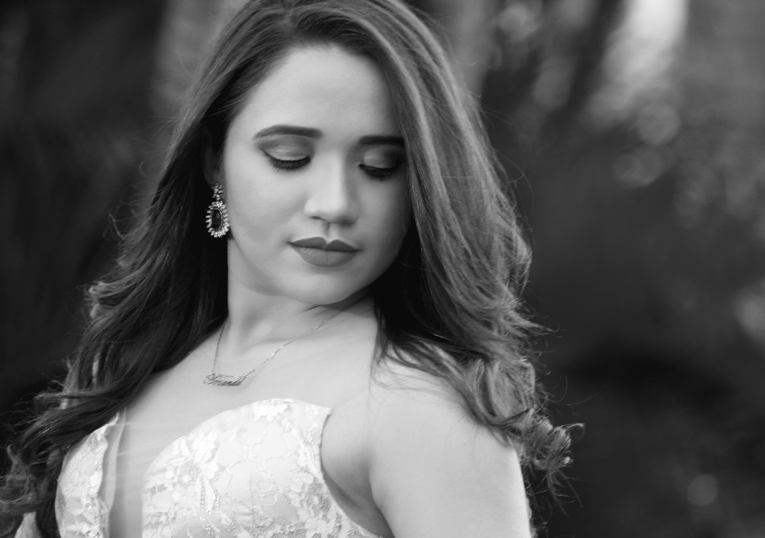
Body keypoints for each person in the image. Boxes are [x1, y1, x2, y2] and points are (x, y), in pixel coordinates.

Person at [0, 0, 573, 536]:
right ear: (214, 161)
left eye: (380, 167)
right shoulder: (121, 365)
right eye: (290, 158)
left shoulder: (420, 408)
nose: (335, 203)